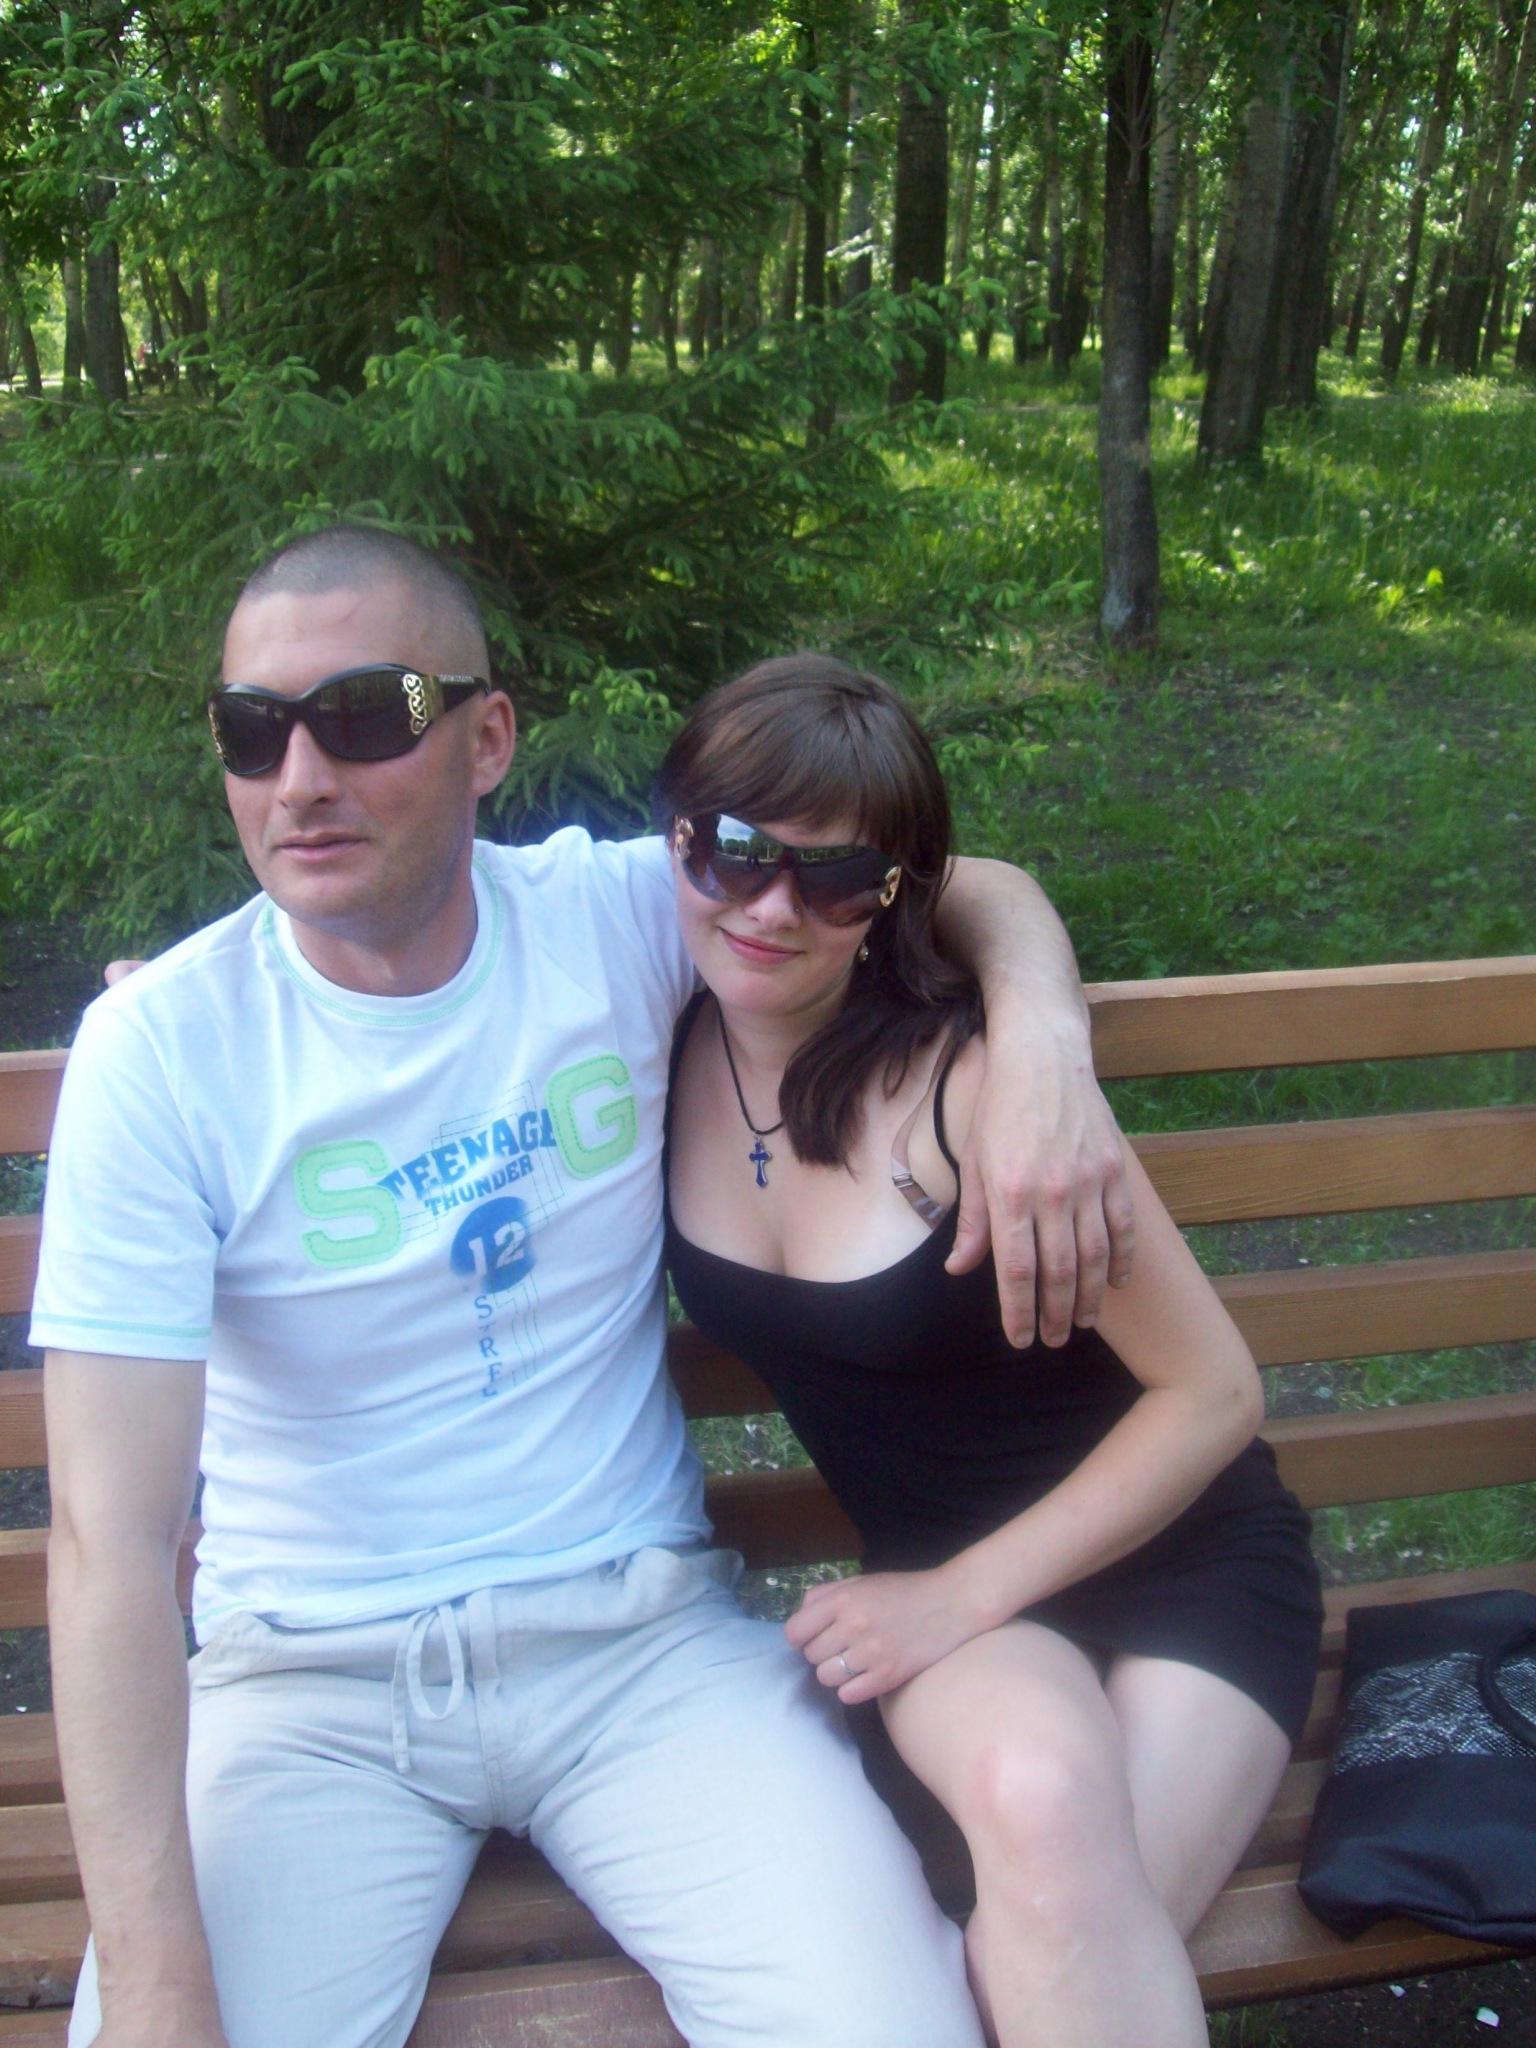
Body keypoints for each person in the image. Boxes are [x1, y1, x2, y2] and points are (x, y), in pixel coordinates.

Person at [33, 527, 1135, 2048]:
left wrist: (1047, 1042)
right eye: (251, 729)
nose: (300, 779)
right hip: (308, 1694)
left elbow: (951, 885)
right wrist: (161, 1986)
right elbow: (107, 1541)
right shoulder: (165, 1053)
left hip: (640, 1646)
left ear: (487, 739)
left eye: (362, 716)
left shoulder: (618, 917)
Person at [659, 655, 1325, 2048]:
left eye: (836, 878)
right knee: (1039, 1803)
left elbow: (1212, 1392)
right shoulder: (648, 1037)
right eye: (735, 852)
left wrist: (1040, 1041)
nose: (772, 907)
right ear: (677, 839)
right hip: (958, 1607)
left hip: (1182, 1567)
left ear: (889, 898)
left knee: (1028, 1961)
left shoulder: (976, 1089)